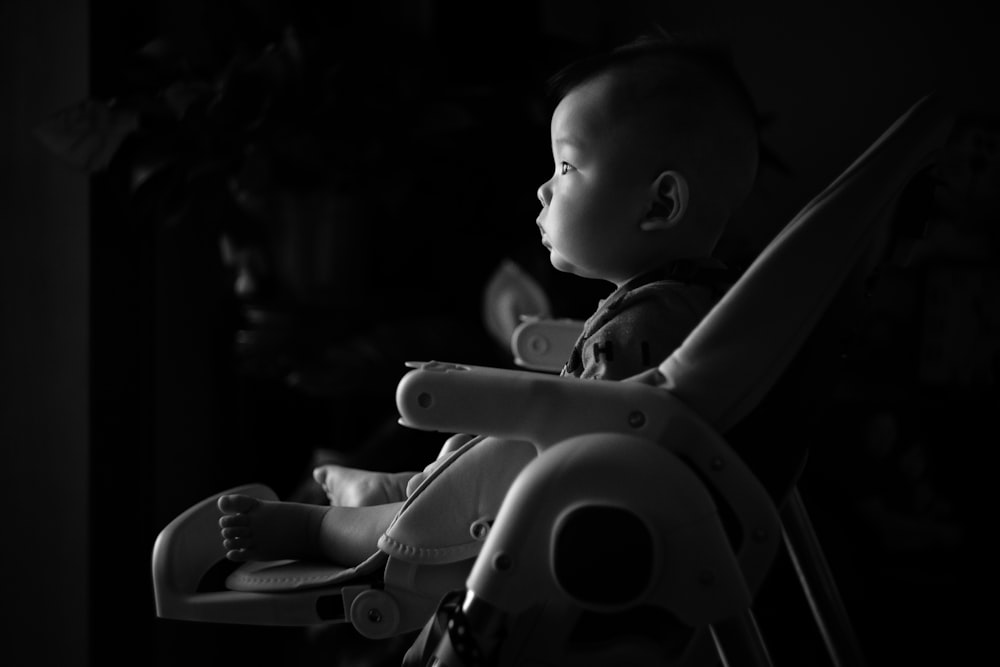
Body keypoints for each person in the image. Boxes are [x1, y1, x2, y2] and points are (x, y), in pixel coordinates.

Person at [218, 31, 761, 567]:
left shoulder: (651, 319)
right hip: (577, 492)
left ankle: (321, 529)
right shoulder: (690, 301)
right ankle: (401, 486)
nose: (546, 189)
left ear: (661, 203)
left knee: (474, 477)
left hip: (572, 512)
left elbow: (598, 425)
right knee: (474, 450)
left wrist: (488, 402)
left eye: (567, 168)